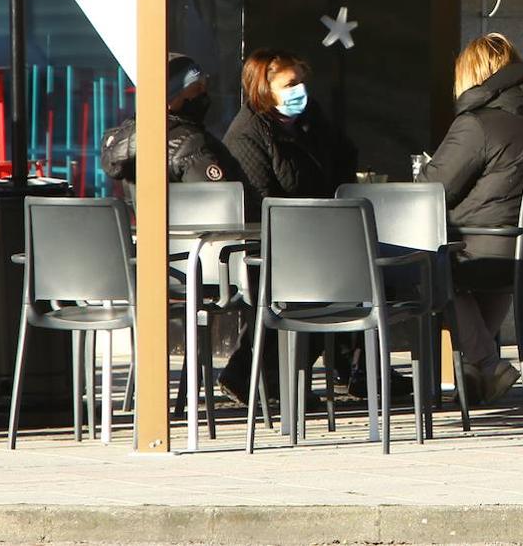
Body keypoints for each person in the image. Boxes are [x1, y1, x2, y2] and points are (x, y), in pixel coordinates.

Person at [420, 33, 523, 404]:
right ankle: (476, 371)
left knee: (433, 263)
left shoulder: (479, 123)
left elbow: (431, 189)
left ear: (471, 76)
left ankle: (486, 363)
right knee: (482, 261)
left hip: (497, 255)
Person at [217, 48, 363, 402]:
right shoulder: (248, 135)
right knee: (328, 284)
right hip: (274, 246)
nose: (299, 91)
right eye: (290, 84)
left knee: (365, 274)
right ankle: (254, 374)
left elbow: (344, 155)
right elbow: (260, 202)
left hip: (320, 235)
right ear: (263, 89)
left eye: (301, 82)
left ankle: (353, 367)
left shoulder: (311, 120)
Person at [100, 53, 241, 205]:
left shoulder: (128, 137)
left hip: (144, 229)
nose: (204, 94)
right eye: (197, 88)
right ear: (171, 97)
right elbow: (219, 203)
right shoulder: (189, 142)